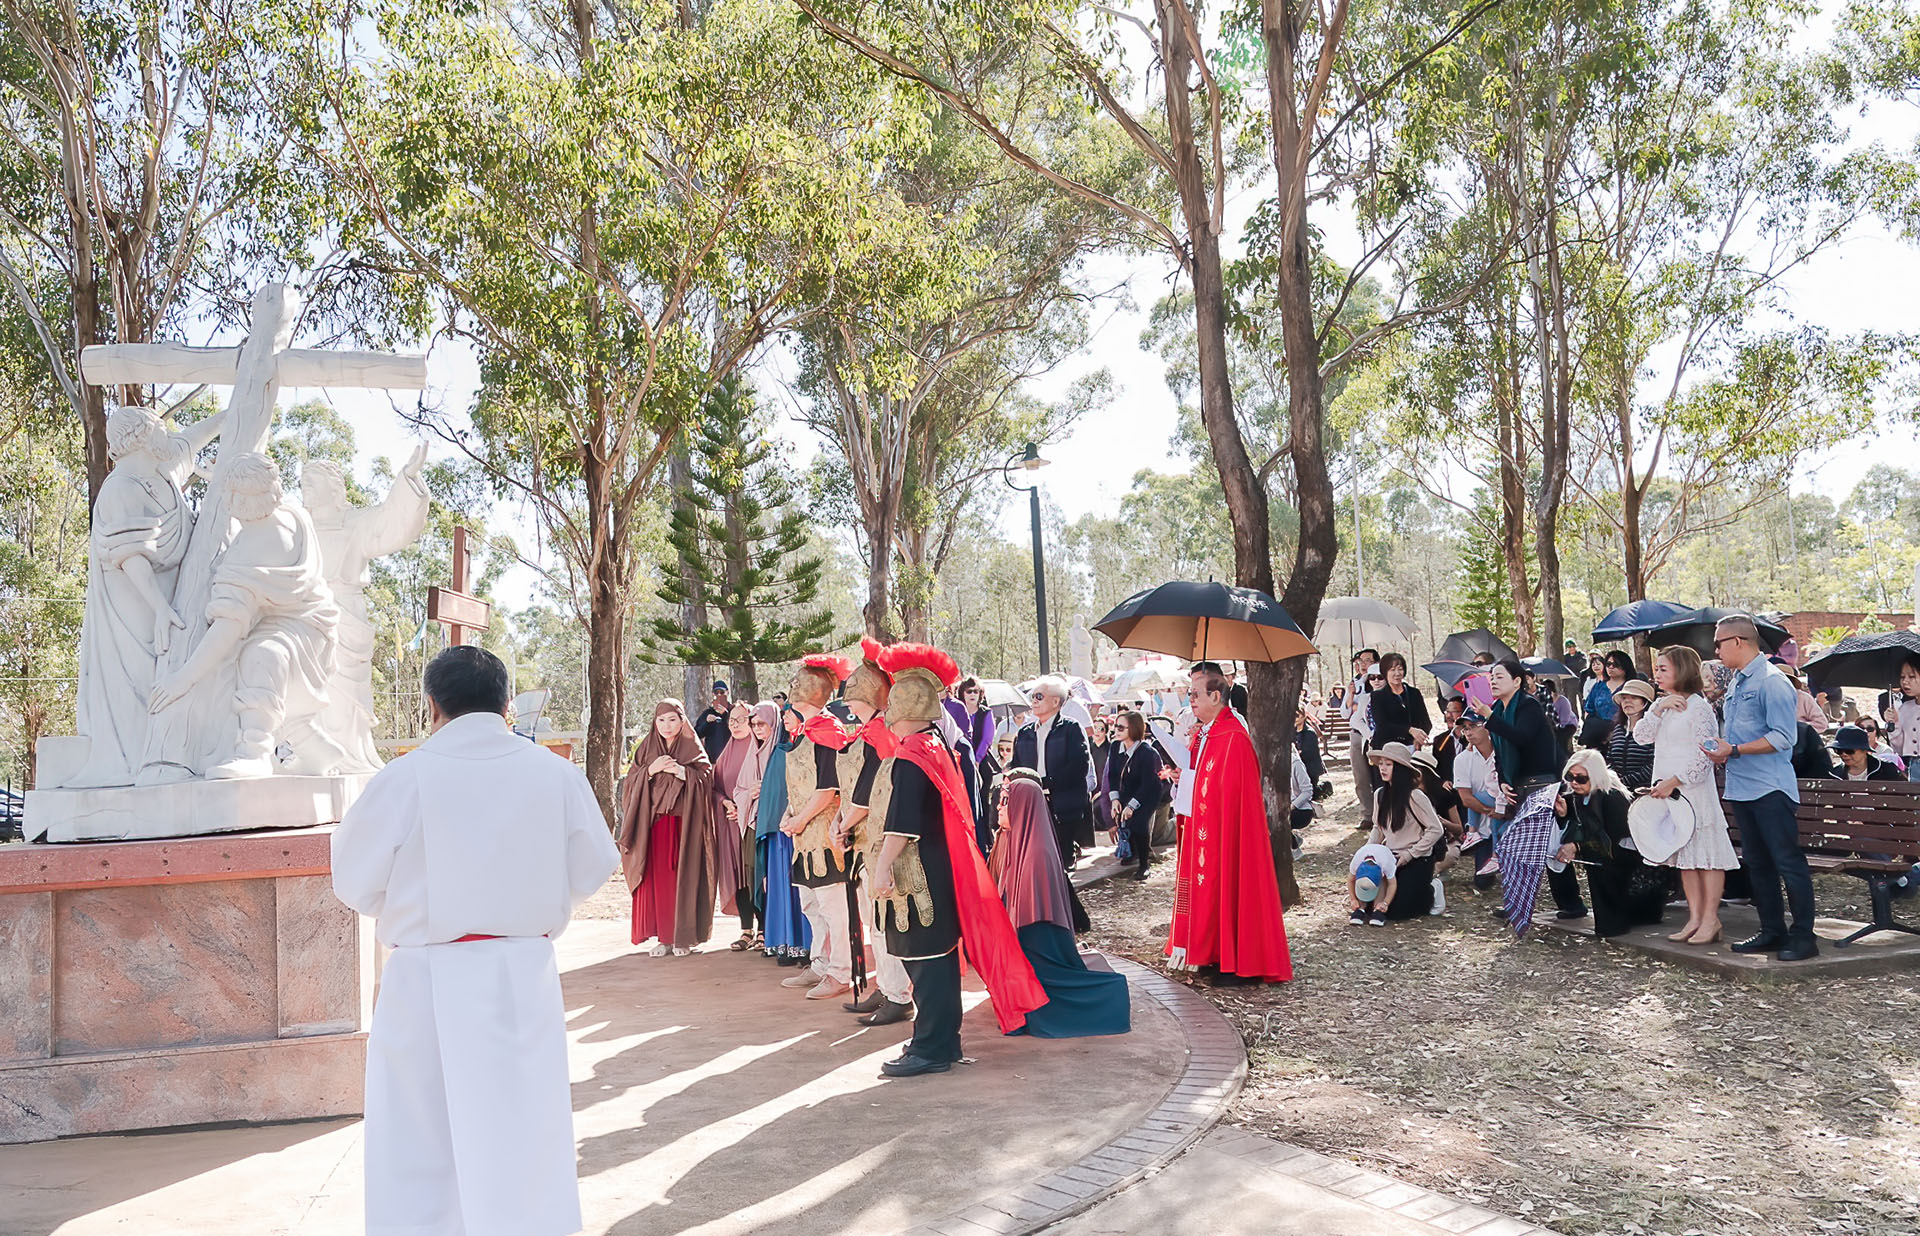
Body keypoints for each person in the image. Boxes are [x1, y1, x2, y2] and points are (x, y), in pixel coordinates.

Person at [332, 645, 617, 1236]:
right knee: (523, 1127)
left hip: (425, 972)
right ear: (506, 704)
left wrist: (410, 907)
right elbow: (594, 865)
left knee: (420, 1135)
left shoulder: (404, 777)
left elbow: (354, 881)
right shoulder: (555, 774)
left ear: (431, 705)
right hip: (522, 970)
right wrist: (537, 906)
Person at [869, 642, 1046, 1076]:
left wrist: (882, 867)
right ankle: (941, 1041)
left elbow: (902, 823)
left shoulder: (912, 754)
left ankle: (931, 1048)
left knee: (925, 961)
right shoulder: (935, 745)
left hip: (920, 875)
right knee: (938, 961)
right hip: (939, 867)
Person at [1165, 667, 1292, 984]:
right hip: (1207, 829)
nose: (1191, 700)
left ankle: (1237, 962)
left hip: (1229, 834)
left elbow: (1236, 792)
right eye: (1190, 694)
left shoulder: (1234, 737)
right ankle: (1213, 953)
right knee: (1210, 890)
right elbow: (1205, 778)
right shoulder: (1208, 733)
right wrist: (1185, 778)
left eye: (1196, 694)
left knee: (1231, 885)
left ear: (1216, 696)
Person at [1705, 615, 1819, 961]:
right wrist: (1723, 750)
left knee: (1788, 862)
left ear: (1738, 641)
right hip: (1741, 787)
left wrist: (1735, 750)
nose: (1716, 651)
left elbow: (1784, 738)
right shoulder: (1737, 683)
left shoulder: (1772, 681)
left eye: (1719, 643)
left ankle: (1804, 937)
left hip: (1770, 788)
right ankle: (1772, 930)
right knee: (1757, 864)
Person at [993, 772, 1131, 1037]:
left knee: (1047, 986)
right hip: (1028, 938)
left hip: (1039, 939)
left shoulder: (1037, 854)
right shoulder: (1014, 841)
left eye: (1006, 801)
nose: (999, 807)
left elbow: (1034, 921)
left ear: (1023, 806)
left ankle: (1104, 996)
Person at [1469, 658, 1574, 933]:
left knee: (1546, 844)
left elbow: (1522, 737)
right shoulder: (1497, 709)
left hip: (1541, 781)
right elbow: (1500, 751)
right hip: (1518, 784)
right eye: (1491, 677)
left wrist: (1490, 719)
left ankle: (1571, 902)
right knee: (1517, 846)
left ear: (1517, 681)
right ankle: (1516, 902)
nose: (1493, 681)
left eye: (1499, 676)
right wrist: (1504, 781)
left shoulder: (1528, 705)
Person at [781, 654, 857, 997]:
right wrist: (789, 815)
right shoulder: (804, 732)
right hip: (804, 835)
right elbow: (801, 785)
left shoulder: (828, 731)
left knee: (833, 907)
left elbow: (829, 788)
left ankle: (840, 971)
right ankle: (821, 963)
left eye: (799, 682)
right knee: (811, 904)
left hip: (824, 833)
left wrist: (799, 819)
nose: (793, 687)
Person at [617, 700, 718, 958]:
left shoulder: (692, 746)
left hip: (685, 827)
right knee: (659, 882)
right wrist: (650, 771)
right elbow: (630, 783)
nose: (666, 726)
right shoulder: (647, 747)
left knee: (683, 879)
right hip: (654, 827)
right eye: (661, 720)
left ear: (682, 721)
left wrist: (684, 773)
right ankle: (664, 938)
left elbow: (706, 778)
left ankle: (683, 938)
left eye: (672, 719)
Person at [1553, 749, 1667, 938]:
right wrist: (1565, 815)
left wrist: (1577, 846)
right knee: (1596, 863)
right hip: (1609, 858)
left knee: (1601, 865)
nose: (1574, 783)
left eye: (1581, 778)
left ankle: (1616, 920)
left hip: (1627, 864)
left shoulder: (1613, 797)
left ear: (1595, 776)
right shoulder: (1578, 797)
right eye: (1570, 777)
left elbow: (1613, 838)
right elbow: (1582, 829)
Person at [1011, 676, 1095, 870]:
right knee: (1036, 859)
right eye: (1032, 696)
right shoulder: (1025, 733)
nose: (1034, 701)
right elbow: (1017, 765)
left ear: (1056, 701)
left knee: (1063, 861)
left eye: (1039, 696)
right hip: (1032, 803)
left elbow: (1078, 766)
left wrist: (1046, 783)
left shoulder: (1071, 729)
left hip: (1063, 806)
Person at [716, 702, 774, 952]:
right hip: (731, 824)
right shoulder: (725, 754)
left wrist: (744, 807)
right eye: (732, 720)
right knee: (738, 874)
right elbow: (715, 786)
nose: (736, 724)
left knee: (756, 872)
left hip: (754, 821)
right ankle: (746, 929)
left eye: (742, 719)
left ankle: (764, 929)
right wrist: (726, 803)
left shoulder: (761, 750)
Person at [1364, 742, 1445, 919]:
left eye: (1388, 764)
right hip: (1390, 857)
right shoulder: (1380, 794)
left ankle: (1433, 889)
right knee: (1372, 906)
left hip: (1417, 858)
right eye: (1381, 764)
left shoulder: (1415, 796)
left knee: (1399, 912)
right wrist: (1368, 852)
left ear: (1400, 768)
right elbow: (1378, 828)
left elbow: (1435, 829)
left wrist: (1410, 854)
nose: (1383, 768)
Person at [758, 707, 812, 965]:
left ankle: (808, 946)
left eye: (792, 711)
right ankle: (787, 944)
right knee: (785, 884)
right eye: (784, 713)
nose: (786, 717)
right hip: (781, 833)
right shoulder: (780, 752)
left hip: (805, 828)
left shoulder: (810, 744)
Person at [1110, 712, 1165, 880]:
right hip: (1128, 788)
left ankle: (1144, 864)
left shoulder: (1146, 752)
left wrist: (1132, 805)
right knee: (1124, 819)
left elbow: (1148, 783)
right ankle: (1131, 852)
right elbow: (1112, 774)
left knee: (1140, 823)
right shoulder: (1115, 746)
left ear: (1133, 728)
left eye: (1121, 727)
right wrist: (1114, 799)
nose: (1116, 731)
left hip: (1149, 791)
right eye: (1115, 726)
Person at [1368, 652, 1432, 753]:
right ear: (1385, 672)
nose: (1397, 673)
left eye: (1400, 669)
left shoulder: (1414, 693)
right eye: (1392, 670)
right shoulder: (1378, 696)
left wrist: (1419, 739)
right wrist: (1410, 730)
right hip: (1386, 749)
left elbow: (1426, 723)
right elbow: (1383, 725)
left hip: (1411, 747)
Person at [1344, 650, 1380, 827]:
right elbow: (1346, 713)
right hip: (1358, 735)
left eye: (1368, 661)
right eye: (1361, 661)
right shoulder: (1354, 683)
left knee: (1378, 776)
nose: (1363, 664)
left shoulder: (1380, 682)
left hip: (1377, 736)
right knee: (1361, 776)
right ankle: (1367, 814)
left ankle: (1382, 813)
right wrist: (1351, 694)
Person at [1605, 679, 1658, 791]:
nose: (1627, 701)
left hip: (1645, 791)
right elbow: (1610, 760)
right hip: (1617, 791)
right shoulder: (1618, 729)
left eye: (1634, 697)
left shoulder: (1653, 731)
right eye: (1624, 698)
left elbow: (1653, 766)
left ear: (1645, 702)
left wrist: (1624, 782)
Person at [1578, 652, 1628, 748]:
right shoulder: (1598, 687)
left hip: (1623, 736)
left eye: (1615, 664)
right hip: (1598, 736)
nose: (1611, 667)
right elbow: (1589, 710)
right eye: (1608, 664)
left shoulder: (1631, 687)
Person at [946, 676, 997, 765]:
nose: (972, 694)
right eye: (969, 691)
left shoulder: (986, 713)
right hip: (958, 758)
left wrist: (976, 760)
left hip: (981, 761)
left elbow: (987, 740)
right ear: (962, 693)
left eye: (976, 691)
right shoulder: (957, 711)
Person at [1347, 842, 1399, 925]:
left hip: (1385, 855)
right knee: (1363, 885)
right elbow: (1350, 880)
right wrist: (1353, 899)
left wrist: (1385, 903)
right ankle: (1360, 908)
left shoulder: (1387, 864)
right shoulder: (1356, 863)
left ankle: (1378, 909)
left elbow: (1392, 884)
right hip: (1367, 851)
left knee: (1383, 881)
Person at [1831, 724, 1906, 781]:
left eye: (1849, 751)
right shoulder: (1834, 774)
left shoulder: (1886, 769)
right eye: (1838, 750)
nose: (1844, 754)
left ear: (1864, 750)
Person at [1886, 655, 1920, 781]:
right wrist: (1894, 723)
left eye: (1912, 677)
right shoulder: (1905, 708)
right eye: (1902, 677)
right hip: (1914, 766)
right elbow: (1899, 748)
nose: (1905, 681)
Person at [694, 681, 732, 760]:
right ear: (713, 694)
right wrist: (706, 723)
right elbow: (697, 734)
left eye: (722, 692)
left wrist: (725, 715)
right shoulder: (707, 713)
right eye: (716, 692)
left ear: (727, 693)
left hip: (730, 757)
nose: (719, 695)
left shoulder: (733, 711)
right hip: (712, 759)